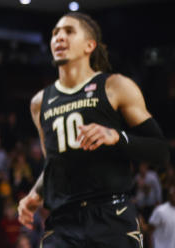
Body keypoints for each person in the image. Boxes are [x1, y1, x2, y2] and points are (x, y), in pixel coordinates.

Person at [16, 12, 169, 246]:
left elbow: (160, 151)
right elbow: (54, 165)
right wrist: (35, 193)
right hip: (63, 222)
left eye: (69, 31)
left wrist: (116, 137)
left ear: (90, 45)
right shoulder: (39, 102)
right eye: (55, 33)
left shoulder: (115, 86)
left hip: (111, 216)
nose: (59, 37)